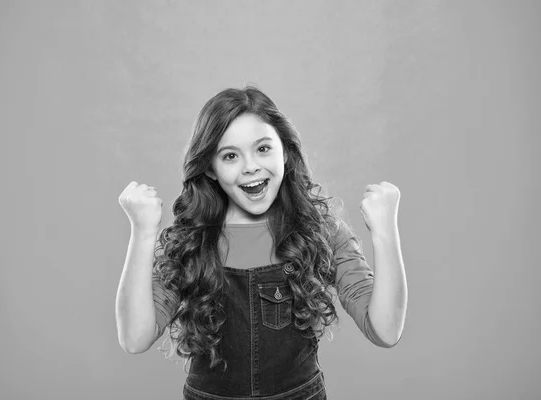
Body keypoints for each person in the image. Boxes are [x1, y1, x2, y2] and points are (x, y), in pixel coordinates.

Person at [116, 86, 408, 400]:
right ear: (211, 170)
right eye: (230, 156)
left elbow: (386, 331)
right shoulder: (192, 241)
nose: (251, 166)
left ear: (285, 150)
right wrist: (143, 233)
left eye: (263, 149)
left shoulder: (321, 232)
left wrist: (384, 233)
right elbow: (135, 338)